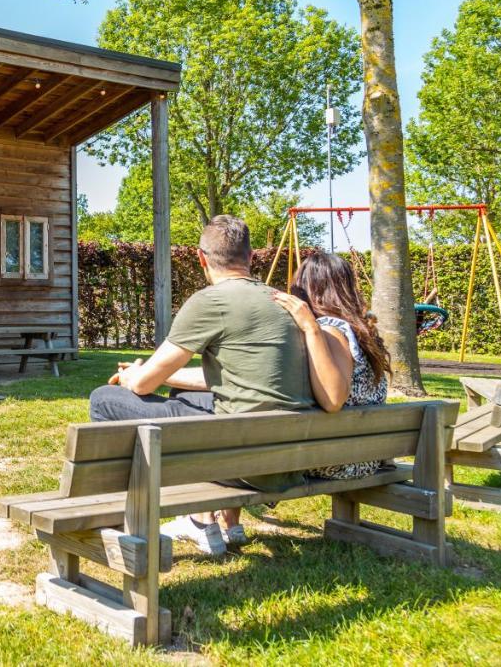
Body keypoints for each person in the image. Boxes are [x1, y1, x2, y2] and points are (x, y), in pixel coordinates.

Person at [88, 215, 315, 557]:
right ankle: (204, 521)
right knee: (184, 393)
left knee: (104, 399)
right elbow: (234, 378)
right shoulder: (287, 304)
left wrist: (134, 375)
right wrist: (163, 376)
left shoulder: (210, 301)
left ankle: (115, 517)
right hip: (289, 459)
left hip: (243, 464)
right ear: (251, 257)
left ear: (201, 258)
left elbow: (144, 383)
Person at [271, 253, 390, 479]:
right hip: (366, 454)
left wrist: (310, 327)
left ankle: (210, 515)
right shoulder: (360, 330)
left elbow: (333, 399)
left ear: (308, 289)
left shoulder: (328, 330)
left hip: (340, 460)